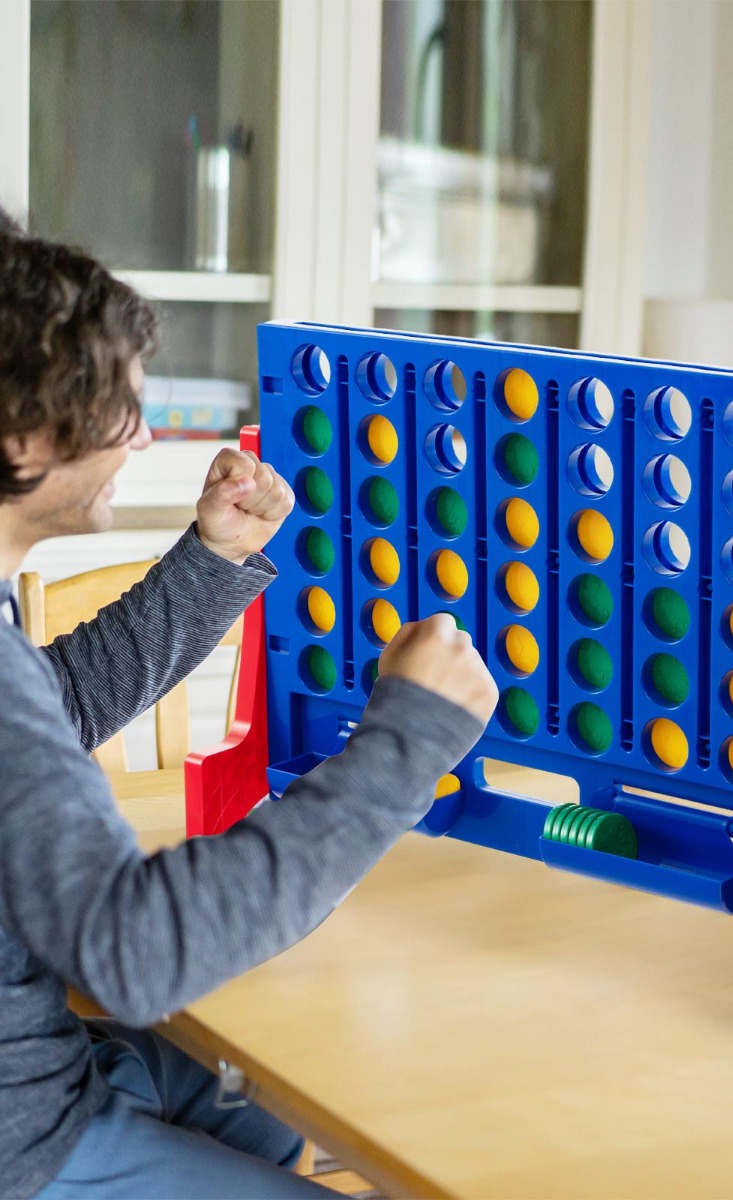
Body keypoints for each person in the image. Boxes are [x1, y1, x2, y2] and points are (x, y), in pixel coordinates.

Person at [0, 211, 498, 1198]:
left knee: (261, 1111)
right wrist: (408, 740)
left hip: (50, 1065)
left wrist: (213, 558)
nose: (142, 438)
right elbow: (136, 948)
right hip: (26, 1141)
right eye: (112, 413)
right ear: (22, 434)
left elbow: (45, 713)